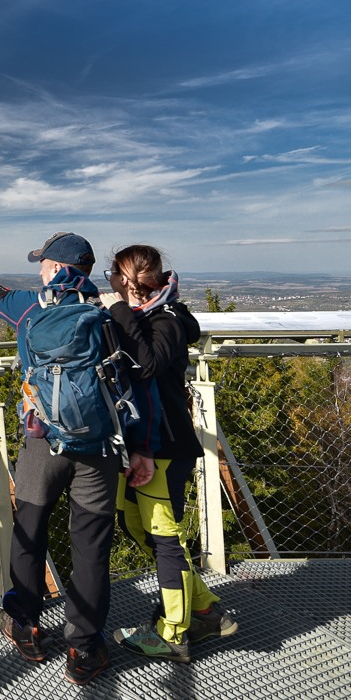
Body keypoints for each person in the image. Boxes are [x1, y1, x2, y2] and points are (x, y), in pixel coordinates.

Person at [0, 231, 157, 686]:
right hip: (99, 450)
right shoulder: (111, 315)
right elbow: (136, 387)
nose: (39, 269)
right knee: (91, 548)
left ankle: (25, 623)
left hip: (42, 443)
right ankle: (85, 645)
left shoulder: (31, 308)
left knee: (29, 532)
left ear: (55, 268)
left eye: (43, 263)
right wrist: (141, 447)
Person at [99, 244, 238, 662]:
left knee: (164, 537)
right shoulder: (151, 316)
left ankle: (174, 632)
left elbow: (147, 364)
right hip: (140, 443)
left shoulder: (169, 317)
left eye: (112, 276)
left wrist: (119, 312)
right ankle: (205, 610)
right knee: (136, 524)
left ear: (124, 280)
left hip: (164, 445)